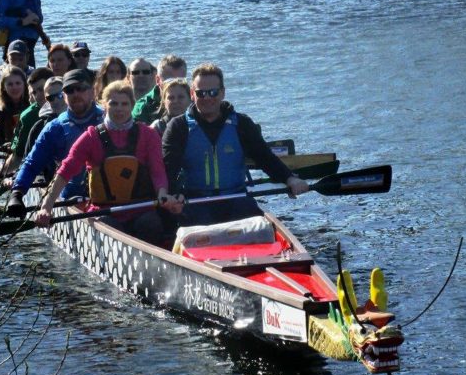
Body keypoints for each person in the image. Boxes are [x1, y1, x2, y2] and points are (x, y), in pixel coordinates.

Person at [34, 80, 182, 246]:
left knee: (151, 224)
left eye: (124, 104)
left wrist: (162, 194)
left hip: (141, 209)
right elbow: (65, 171)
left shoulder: (148, 135)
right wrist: (47, 206)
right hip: (103, 212)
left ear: (132, 105)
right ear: (104, 105)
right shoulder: (91, 137)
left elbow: (157, 171)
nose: (119, 108)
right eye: (114, 103)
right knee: (109, 226)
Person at [162, 63, 309, 227]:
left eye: (213, 92)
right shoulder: (178, 127)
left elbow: (265, 158)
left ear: (223, 93)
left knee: (262, 230)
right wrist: (174, 195)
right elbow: (168, 169)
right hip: (196, 202)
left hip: (237, 199)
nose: (207, 98)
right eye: (201, 93)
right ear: (192, 94)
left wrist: (289, 179)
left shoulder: (242, 124)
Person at [7, 69, 103, 214]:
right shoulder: (54, 128)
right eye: (70, 90)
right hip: (72, 197)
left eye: (81, 89)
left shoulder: (109, 119)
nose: (76, 94)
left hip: (110, 195)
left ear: (92, 92)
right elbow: (32, 164)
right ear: (64, 96)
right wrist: (17, 193)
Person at [0, 67, 54, 177]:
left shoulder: (73, 107)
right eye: (34, 92)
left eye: (42, 90)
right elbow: (17, 155)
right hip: (41, 166)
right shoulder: (27, 116)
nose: (38, 95)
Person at [132, 54, 187, 124]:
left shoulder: (193, 101)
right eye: (170, 81)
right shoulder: (143, 108)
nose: (176, 86)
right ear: (158, 80)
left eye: (180, 81)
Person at [0, 66, 29, 149]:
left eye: (18, 83)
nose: (14, 87)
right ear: (4, 87)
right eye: (10, 84)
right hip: (8, 150)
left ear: (24, 85)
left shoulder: (31, 104)